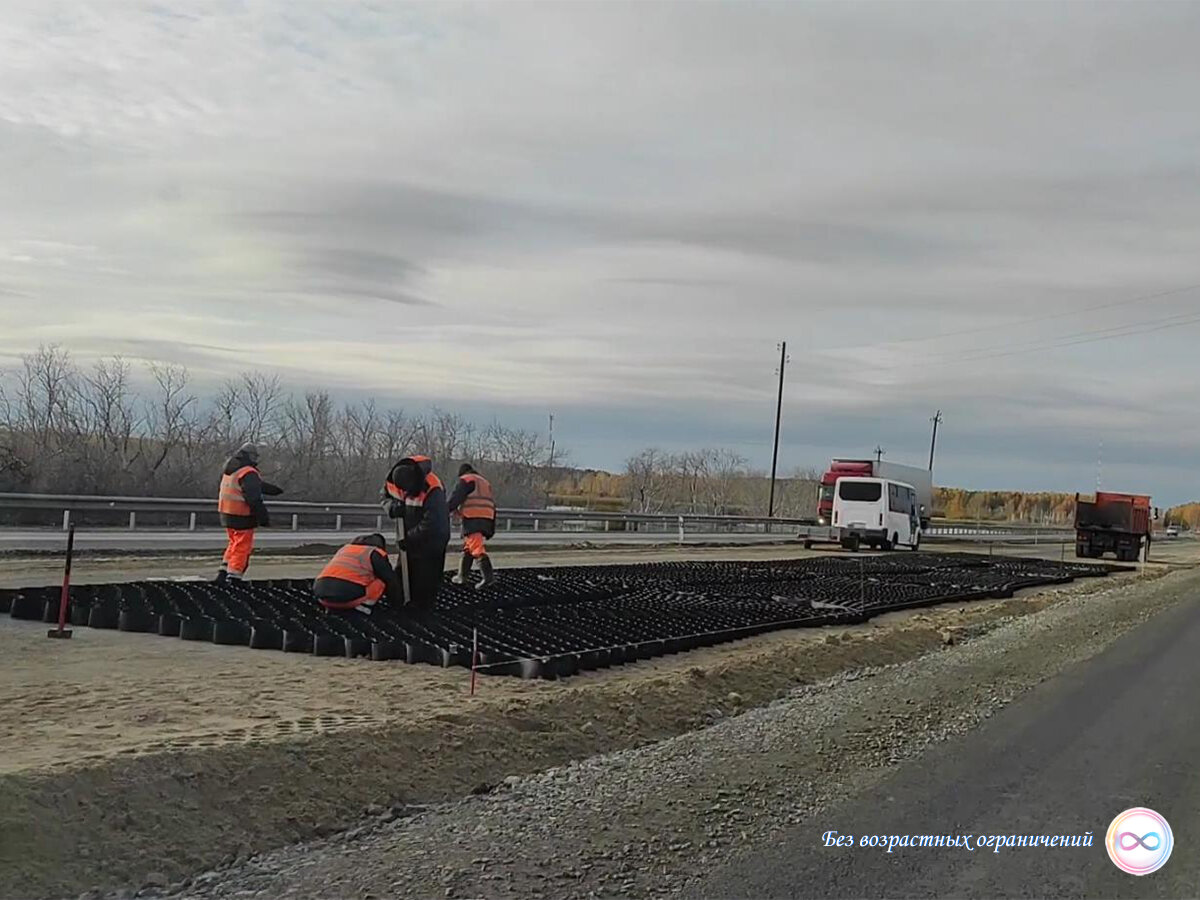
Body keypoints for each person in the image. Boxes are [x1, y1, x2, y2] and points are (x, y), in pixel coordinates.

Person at [382, 454, 450, 610]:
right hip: (408, 536)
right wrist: (391, 507)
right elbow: (384, 497)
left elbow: (433, 523)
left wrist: (410, 537)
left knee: (425, 580)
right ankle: (401, 604)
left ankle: (423, 609)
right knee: (402, 573)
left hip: (432, 540)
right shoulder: (393, 479)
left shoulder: (433, 489)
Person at [216, 442, 282, 583]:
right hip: (242, 516)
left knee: (234, 543)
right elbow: (253, 497)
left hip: (227, 513)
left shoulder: (231, 469)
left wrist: (272, 490)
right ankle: (234, 577)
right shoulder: (248, 471)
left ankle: (223, 572)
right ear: (250, 456)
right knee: (242, 547)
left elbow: (251, 486)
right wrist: (263, 518)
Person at [313, 533, 399, 615]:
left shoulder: (344, 549)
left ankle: (333, 608)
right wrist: (396, 603)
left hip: (322, 597)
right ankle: (364, 607)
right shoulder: (374, 552)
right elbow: (390, 579)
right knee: (380, 582)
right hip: (348, 599)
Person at [447, 462, 497, 589]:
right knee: (468, 547)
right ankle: (462, 577)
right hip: (487, 517)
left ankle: (488, 578)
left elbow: (455, 499)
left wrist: (444, 511)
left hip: (473, 517)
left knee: (476, 548)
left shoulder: (465, 480)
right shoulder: (485, 482)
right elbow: (491, 503)